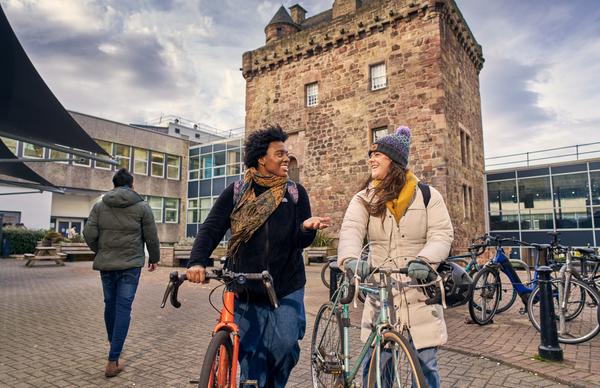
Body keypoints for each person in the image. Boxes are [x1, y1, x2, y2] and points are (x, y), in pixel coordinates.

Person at [186, 126, 331, 388]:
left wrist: (306, 229)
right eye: (280, 153)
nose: (286, 158)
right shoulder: (237, 191)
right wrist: (197, 261)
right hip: (245, 287)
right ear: (262, 159)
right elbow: (211, 229)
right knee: (252, 356)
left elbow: (299, 242)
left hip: (285, 285)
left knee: (284, 347)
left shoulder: (295, 193)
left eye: (287, 153)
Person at [337, 126, 453, 388]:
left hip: (419, 292)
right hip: (381, 293)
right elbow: (351, 231)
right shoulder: (364, 198)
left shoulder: (428, 196)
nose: (371, 159)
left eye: (378, 154)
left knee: (425, 366)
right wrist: (351, 259)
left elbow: (441, 234)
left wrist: (425, 261)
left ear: (396, 161)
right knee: (378, 366)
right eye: (370, 154)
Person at [83, 168, 160, 378]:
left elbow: (88, 234)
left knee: (110, 303)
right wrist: (153, 258)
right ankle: (112, 359)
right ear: (131, 184)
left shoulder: (99, 206)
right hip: (130, 265)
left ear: (114, 184)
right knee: (123, 307)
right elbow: (151, 236)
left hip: (107, 264)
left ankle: (113, 344)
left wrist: (100, 250)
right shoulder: (142, 207)